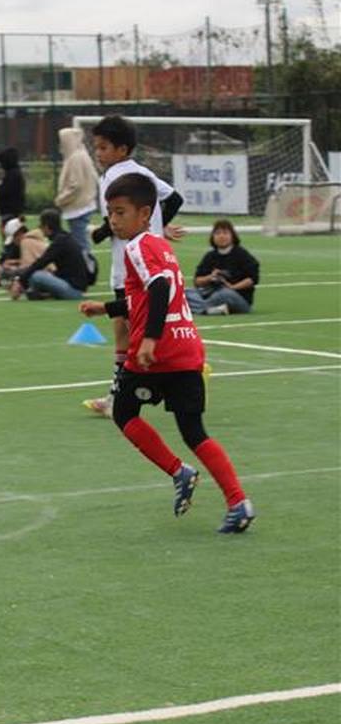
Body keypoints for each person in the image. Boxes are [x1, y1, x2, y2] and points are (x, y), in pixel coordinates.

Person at [78, 173, 255, 534]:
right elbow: (148, 296)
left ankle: (179, 472)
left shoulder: (136, 247)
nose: (113, 220)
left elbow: (158, 288)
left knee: (124, 412)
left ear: (145, 214)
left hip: (157, 353)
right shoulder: (161, 246)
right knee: (194, 431)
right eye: (110, 213)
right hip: (187, 348)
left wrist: (149, 339)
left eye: (121, 212)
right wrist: (107, 308)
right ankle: (238, 503)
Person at [83, 115, 185, 418]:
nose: (98, 153)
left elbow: (115, 222)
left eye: (103, 148)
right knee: (125, 329)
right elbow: (174, 199)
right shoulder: (142, 172)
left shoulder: (115, 178)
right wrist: (157, 227)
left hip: (131, 265)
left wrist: (101, 233)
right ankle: (118, 396)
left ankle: (178, 377)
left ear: (122, 149)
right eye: (96, 147)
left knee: (135, 332)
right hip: (147, 258)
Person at [9, 209, 89, 300]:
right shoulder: (65, 237)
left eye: (41, 226)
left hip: (73, 291)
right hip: (75, 286)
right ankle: (43, 293)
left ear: (46, 227)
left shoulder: (60, 241)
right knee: (41, 274)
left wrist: (20, 281)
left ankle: (35, 291)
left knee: (36, 276)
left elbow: (42, 262)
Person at [185, 219, 260, 316]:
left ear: (232, 236)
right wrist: (210, 277)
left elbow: (252, 279)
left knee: (224, 294)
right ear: (213, 237)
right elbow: (197, 281)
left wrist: (232, 287)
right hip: (211, 292)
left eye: (225, 233)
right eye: (218, 233)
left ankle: (199, 308)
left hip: (237, 297)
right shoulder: (210, 256)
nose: (221, 236)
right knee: (185, 292)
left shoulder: (242, 254)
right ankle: (210, 310)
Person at [54, 126, 98, 254]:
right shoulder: (81, 155)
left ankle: (87, 265)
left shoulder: (75, 158)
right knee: (80, 242)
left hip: (78, 207)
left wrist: (61, 199)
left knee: (81, 245)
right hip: (83, 205)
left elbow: (76, 185)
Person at [0, 147, 25, 245]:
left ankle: (10, 251)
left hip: (10, 210)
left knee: (10, 235)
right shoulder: (16, 173)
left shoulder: (12, 175)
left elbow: (6, 191)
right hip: (15, 209)